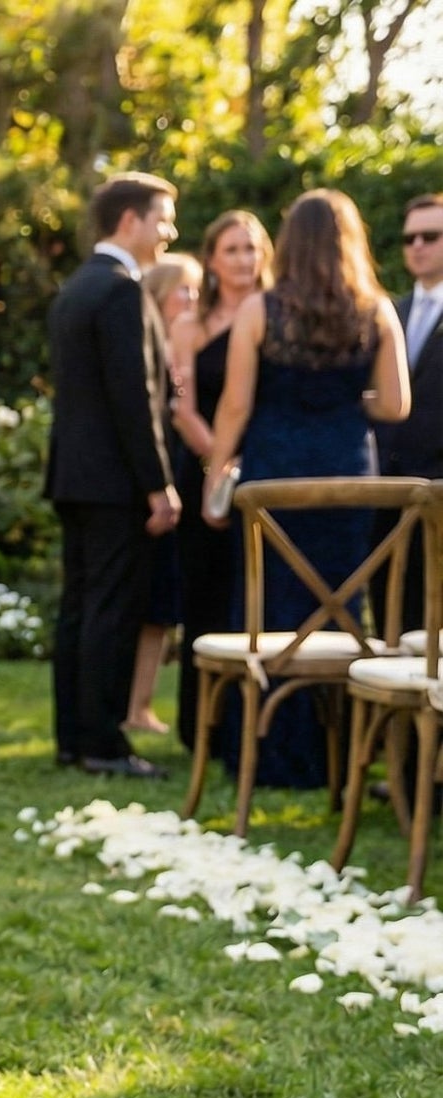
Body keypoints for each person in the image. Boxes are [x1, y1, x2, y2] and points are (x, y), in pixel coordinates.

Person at [202, 188, 412, 788]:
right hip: (348, 477)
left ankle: (266, 753)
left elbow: (236, 405)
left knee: (270, 610)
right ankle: (337, 753)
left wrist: (216, 476)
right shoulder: (375, 309)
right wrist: (346, 400)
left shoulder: (260, 311)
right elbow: (396, 404)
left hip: (276, 475)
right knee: (341, 608)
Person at [46, 172, 182, 778]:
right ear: (130, 220)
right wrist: (159, 484)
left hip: (73, 477)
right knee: (110, 611)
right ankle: (103, 744)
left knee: (78, 608)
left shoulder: (75, 288)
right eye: (163, 218)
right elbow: (135, 397)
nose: (169, 231)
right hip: (114, 483)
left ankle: (73, 738)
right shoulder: (122, 290)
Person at [169, 210, 274, 751]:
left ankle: (255, 724)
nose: (243, 259)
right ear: (211, 259)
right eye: (232, 249)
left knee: (256, 595)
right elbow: (182, 408)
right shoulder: (190, 326)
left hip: (268, 472)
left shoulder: (278, 318)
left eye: (251, 249)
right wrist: (219, 460)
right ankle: (202, 727)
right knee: (205, 596)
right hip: (205, 472)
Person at [126, 253, 203, 736]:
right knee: (146, 600)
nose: (192, 300)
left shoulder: (192, 344)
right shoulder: (149, 347)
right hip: (158, 479)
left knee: (162, 606)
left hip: (187, 478)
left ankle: (142, 704)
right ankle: (132, 706)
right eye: (184, 290)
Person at [370, 192, 443, 638]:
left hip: (440, 492)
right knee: (388, 622)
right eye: (409, 238)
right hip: (386, 493)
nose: (417, 245)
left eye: (430, 236)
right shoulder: (387, 312)